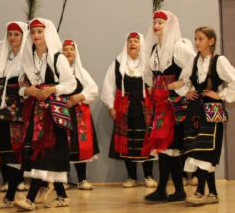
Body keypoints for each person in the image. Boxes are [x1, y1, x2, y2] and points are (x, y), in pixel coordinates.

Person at [175, 27, 235, 206]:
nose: (197, 42)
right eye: (195, 39)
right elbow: (182, 81)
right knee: (197, 149)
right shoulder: (192, 61)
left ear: (211, 41)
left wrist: (220, 95)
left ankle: (201, 191)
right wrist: (186, 93)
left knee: (206, 150)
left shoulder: (219, 61)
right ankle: (211, 193)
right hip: (194, 111)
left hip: (212, 110)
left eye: (200, 39)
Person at [15, 18, 77, 211]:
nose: (36, 35)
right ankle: (62, 196)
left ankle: (31, 198)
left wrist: (51, 89)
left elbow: (71, 84)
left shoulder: (58, 58)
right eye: (33, 32)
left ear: (47, 33)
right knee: (42, 151)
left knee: (46, 151)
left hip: (53, 113)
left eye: (40, 31)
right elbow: (21, 87)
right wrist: (27, 91)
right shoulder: (28, 58)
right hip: (36, 112)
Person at [142, 11, 196, 202]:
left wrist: (181, 84)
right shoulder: (156, 48)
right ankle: (176, 190)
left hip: (173, 103)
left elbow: (195, 65)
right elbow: (148, 72)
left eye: (160, 23)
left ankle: (162, 189)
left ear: (170, 25)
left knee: (167, 147)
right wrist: (152, 87)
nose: (156, 25)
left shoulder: (178, 47)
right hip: (159, 102)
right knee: (168, 149)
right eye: (154, 22)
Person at [102, 32, 156, 188]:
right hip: (125, 108)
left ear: (141, 45)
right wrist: (110, 106)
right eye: (130, 41)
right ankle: (132, 177)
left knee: (146, 140)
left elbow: (155, 83)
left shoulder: (148, 64)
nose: (133, 44)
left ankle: (148, 176)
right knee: (127, 141)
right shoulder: (118, 63)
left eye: (136, 41)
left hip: (145, 108)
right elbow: (109, 85)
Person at [0, 22, 29, 209]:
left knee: (17, 152)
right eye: (10, 34)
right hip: (3, 110)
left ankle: (11, 196)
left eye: (17, 34)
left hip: (20, 111)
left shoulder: (28, 57)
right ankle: (11, 195)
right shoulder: (3, 57)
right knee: (7, 152)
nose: (12, 37)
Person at [61, 39, 100, 190]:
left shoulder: (81, 72)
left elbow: (93, 90)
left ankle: (82, 179)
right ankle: (62, 180)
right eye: (65, 49)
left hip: (78, 113)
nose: (69, 52)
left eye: (71, 49)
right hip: (61, 112)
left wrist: (79, 97)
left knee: (80, 144)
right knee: (63, 145)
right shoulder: (56, 72)